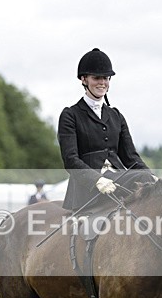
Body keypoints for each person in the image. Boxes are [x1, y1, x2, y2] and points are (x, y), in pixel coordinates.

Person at [57, 48, 153, 212]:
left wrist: (151, 177)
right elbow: (70, 159)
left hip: (118, 180)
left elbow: (131, 158)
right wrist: (97, 179)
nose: (102, 82)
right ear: (84, 79)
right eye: (97, 78)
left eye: (106, 78)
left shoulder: (116, 115)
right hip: (87, 187)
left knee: (145, 180)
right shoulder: (70, 115)